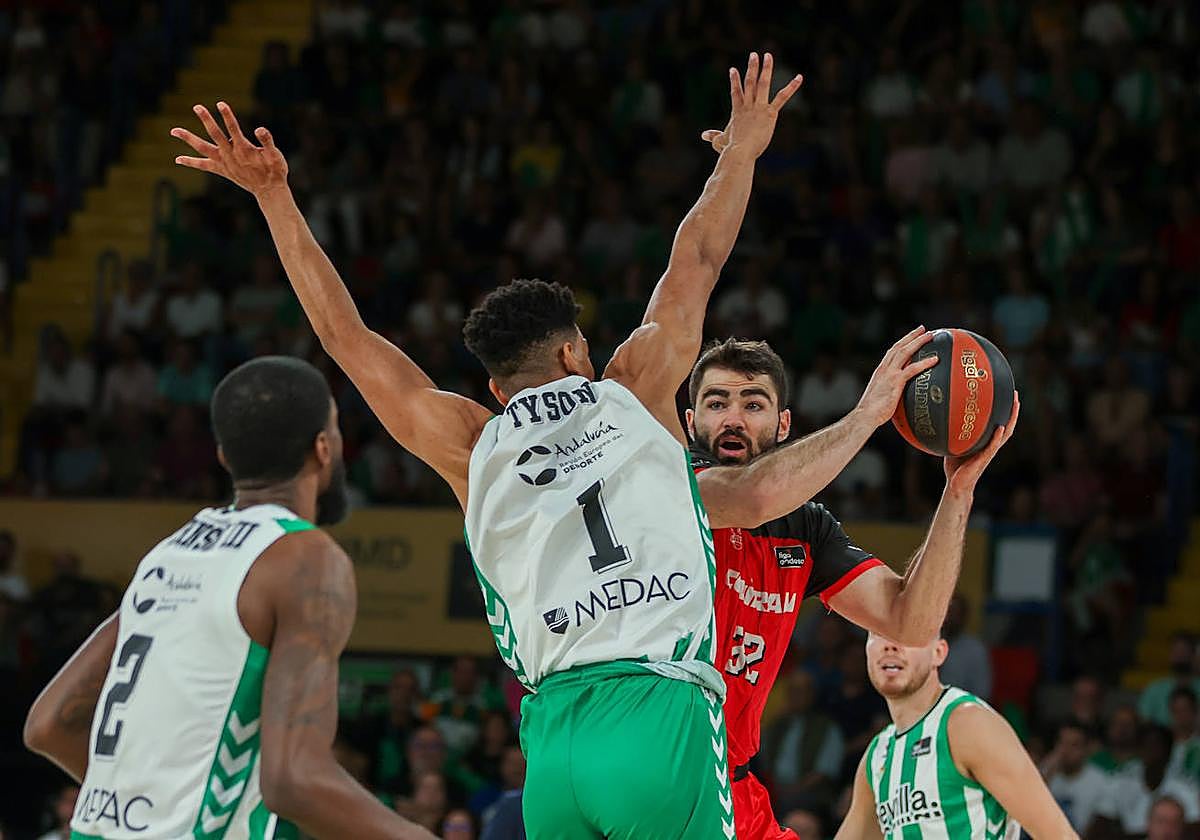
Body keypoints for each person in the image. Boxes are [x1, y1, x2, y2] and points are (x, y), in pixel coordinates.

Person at [170, 54, 806, 838]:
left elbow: (344, 336)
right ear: (576, 353)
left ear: (499, 389)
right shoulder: (633, 388)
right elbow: (697, 259)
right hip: (656, 706)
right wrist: (740, 152)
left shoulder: (472, 440)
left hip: (552, 740)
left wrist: (274, 195)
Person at [23, 356, 435, 839]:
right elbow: (293, 781)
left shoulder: (169, 554)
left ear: (223, 456)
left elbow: (49, 724)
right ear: (323, 449)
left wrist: (151, 808)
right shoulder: (306, 557)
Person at [684, 337, 1020, 840]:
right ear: (690, 424)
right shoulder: (671, 486)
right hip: (662, 772)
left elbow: (914, 622)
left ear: (783, 425)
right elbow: (752, 497)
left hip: (733, 786)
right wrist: (866, 416)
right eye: (716, 403)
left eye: (753, 404)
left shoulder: (805, 529)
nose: (733, 418)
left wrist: (958, 492)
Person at [835, 632, 1076, 839]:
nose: (891, 644)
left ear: (938, 652)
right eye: (878, 633)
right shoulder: (878, 754)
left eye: (908, 633)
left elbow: (1059, 835)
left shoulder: (968, 724)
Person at [1091, 724, 1200, 838]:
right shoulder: (1121, 781)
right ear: (1139, 750)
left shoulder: (1185, 787)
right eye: (1147, 746)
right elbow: (1100, 825)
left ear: (1169, 752)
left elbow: (1195, 830)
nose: (1151, 751)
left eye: (1157, 746)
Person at [1041, 720, 1111, 834]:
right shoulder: (1046, 771)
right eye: (1062, 743)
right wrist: (1049, 771)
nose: (1066, 750)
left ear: (1086, 749)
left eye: (1074, 745)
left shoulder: (1100, 780)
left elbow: (1103, 824)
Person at [1141, 633, 1200, 727]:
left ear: (1194, 655)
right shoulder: (1154, 689)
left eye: (1184, 651)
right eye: (1176, 652)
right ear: (1170, 655)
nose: (1180, 656)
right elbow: (1145, 721)